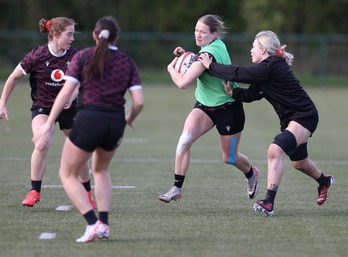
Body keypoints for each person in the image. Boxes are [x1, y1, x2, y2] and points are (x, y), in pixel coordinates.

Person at [199, 30, 334, 216]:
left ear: (263, 50)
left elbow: (240, 73)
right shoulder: (266, 70)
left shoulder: (271, 66)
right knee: (299, 163)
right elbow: (252, 94)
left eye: (254, 47)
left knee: (274, 150)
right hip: (291, 120)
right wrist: (233, 94)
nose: (251, 50)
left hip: (304, 116)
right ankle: (324, 181)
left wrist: (211, 66)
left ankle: (268, 202)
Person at [33, 16, 144, 243]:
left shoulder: (82, 56)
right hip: (115, 123)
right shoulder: (127, 61)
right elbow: (139, 101)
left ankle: (93, 224)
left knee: (67, 173)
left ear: (95, 35)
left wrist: (47, 123)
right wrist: (129, 118)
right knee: (101, 170)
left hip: (89, 119)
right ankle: (103, 224)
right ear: (117, 37)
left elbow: (66, 93)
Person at [159, 14, 259, 203]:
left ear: (213, 34)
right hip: (205, 106)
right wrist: (185, 56)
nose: (198, 34)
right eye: (196, 30)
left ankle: (251, 173)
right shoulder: (215, 46)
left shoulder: (209, 53)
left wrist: (172, 68)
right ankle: (176, 188)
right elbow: (199, 60)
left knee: (229, 158)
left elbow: (183, 83)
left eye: (202, 32)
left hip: (228, 108)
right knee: (184, 141)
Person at [0, 17, 95, 208]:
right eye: (69, 34)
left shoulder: (75, 56)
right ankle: (34, 191)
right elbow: (13, 78)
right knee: (42, 142)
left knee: (79, 149)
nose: (72, 39)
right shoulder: (37, 55)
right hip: (43, 106)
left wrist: (71, 96)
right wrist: (2, 103)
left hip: (69, 108)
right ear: (55, 34)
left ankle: (87, 193)